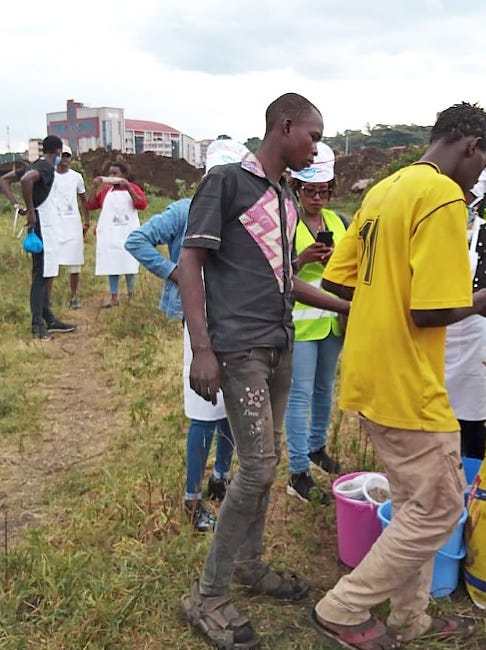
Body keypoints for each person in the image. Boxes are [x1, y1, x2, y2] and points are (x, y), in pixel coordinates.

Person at [312, 102, 486, 650]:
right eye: (483, 165)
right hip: (410, 380)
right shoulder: (442, 196)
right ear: (472, 145)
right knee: (441, 506)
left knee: (413, 503)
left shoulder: (384, 191)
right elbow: (431, 310)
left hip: (369, 371)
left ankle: (411, 619)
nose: (478, 181)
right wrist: (485, 299)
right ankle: (344, 606)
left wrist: (386, 304)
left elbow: (338, 281)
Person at [177, 93, 351, 650]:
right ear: (285, 126)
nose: (316, 146)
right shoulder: (227, 182)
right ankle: (207, 594)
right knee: (255, 468)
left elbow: (283, 282)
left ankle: (250, 565)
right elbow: (189, 265)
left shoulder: (283, 197)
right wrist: (202, 349)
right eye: (314, 135)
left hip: (280, 346)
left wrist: (350, 308)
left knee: (267, 461)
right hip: (238, 351)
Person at [124, 140, 250, 533]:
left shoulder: (243, 216)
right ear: (207, 176)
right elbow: (136, 240)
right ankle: (192, 500)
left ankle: (222, 477)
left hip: (236, 324)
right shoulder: (185, 211)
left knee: (230, 407)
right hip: (200, 328)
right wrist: (174, 271)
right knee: (204, 411)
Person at [284, 141, 347, 504]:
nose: (317, 198)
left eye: (323, 191)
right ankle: (297, 472)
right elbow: (276, 273)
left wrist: (335, 261)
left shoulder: (338, 222)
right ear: (298, 189)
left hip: (332, 324)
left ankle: (315, 448)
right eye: (311, 191)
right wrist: (302, 258)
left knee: (324, 391)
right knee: (300, 395)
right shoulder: (288, 222)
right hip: (302, 325)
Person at [445, 151, 486, 459]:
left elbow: (483, 289)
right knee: (433, 418)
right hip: (433, 329)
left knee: (471, 421)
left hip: (473, 336)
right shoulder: (434, 232)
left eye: (468, 197)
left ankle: (472, 484)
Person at [0, 135, 76, 339]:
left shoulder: (36, 164)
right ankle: (37, 325)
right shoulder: (45, 168)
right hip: (43, 225)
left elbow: (4, 180)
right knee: (41, 276)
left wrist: (17, 204)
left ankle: (48, 317)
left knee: (47, 272)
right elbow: (26, 180)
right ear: (58, 151)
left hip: (47, 225)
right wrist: (31, 211)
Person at [86, 162, 146, 307]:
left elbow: (141, 204)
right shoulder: (107, 191)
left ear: (123, 175)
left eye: (115, 173)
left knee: (129, 263)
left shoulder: (134, 188)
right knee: (112, 263)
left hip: (127, 232)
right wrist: (94, 187)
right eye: (110, 173)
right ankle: (114, 297)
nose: (112, 176)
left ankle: (131, 296)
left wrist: (129, 188)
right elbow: (91, 205)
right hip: (111, 234)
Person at [42, 145, 90, 309]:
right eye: (62, 156)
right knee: (51, 262)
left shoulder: (76, 177)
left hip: (72, 224)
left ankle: (74, 297)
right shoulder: (49, 175)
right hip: (53, 224)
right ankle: (47, 299)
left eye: (67, 156)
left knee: (75, 261)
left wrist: (87, 221)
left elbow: (83, 200)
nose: (65, 159)